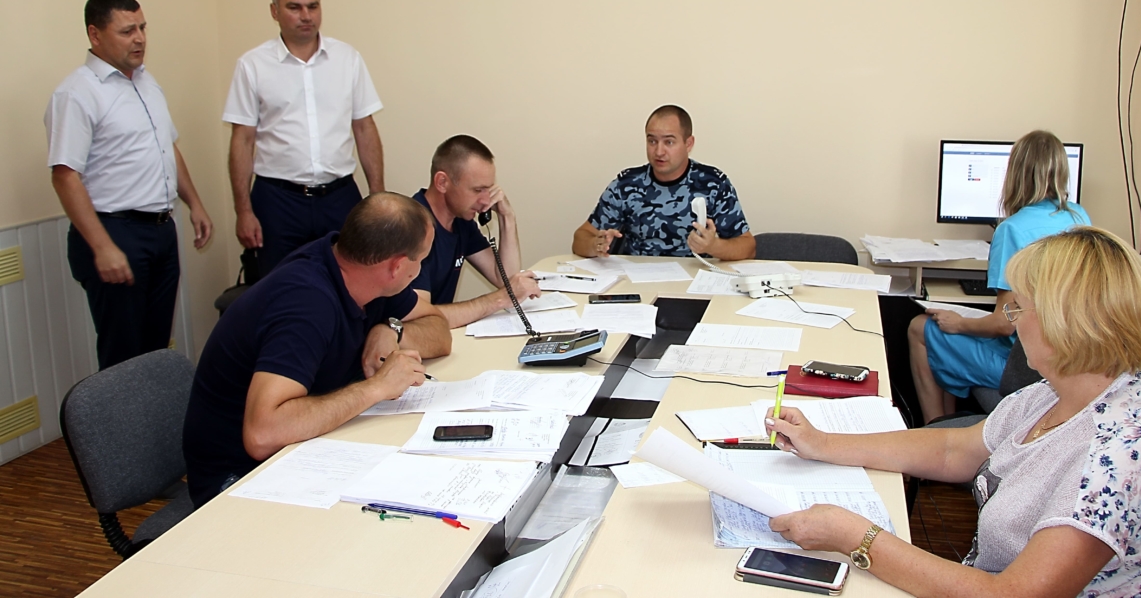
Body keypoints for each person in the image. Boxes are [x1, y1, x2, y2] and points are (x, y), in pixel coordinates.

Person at [766, 227, 1141, 597]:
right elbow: (954, 450)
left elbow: (1013, 594)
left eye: (1019, 308)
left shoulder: (1123, 449)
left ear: (1064, 322)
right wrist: (823, 443)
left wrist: (857, 538)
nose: (1014, 324)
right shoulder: (1056, 392)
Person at [182, 193, 450, 508]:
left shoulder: (361, 270)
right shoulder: (307, 304)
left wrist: (391, 330)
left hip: (304, 450)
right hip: (238, 479)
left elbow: (439, 330)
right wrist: (377, 387)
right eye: (420, 260)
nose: (420, 269)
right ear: (397, 266)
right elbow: (262, 435)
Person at [45, 0, 213, 370]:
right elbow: (65, 176)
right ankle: (117, 414)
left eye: (142, 28)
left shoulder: (146, 82)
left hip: (160, 230)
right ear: (95, 34)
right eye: (126, 31)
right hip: (115, 231)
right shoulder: (77, 93)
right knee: (123, 356)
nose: (139, 39)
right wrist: (103, 247)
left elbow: (167, 148)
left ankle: (152, 412)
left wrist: (195, 204)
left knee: (155, 349)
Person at [909, 130, 1089, 423]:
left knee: (921, 328)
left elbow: (1005, 324)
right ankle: (948, 426)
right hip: (1070, 360)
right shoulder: (1080, 218)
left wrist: (960, 323)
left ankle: (934, 430)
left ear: (1015, 174)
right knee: (948, 334)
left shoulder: (1012, 229)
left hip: (1026, 366)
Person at [223, 0, 385, 277]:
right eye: (294, 8)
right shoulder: (253, 65)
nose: (306, 16)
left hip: (339, 197)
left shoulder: (347, 59)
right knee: (279, 286)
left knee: (349, 282)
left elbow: (364, 128)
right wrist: (243, 211)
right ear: (274, 11)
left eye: (313, 6)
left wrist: (377, 196)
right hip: (278, 201)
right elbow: (242, 141)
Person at [572, 105, 755, 260]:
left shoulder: (713, 184)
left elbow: (748, 247)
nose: (659, 151)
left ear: (688, 144)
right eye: (652, 141)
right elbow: (581, 237)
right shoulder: (626, 185)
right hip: (638, 281)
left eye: (669, 142)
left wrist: (713, 246)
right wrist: (595, 244)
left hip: (695, 281)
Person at [412, 136, 541, 328]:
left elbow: (505, 278)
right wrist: (498, 299)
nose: (485, 201)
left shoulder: (461, 221)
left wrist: (507, 217)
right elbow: (418, 318)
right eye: (478, 190)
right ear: (442, 182)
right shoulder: (411, 228)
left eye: (488, 190)